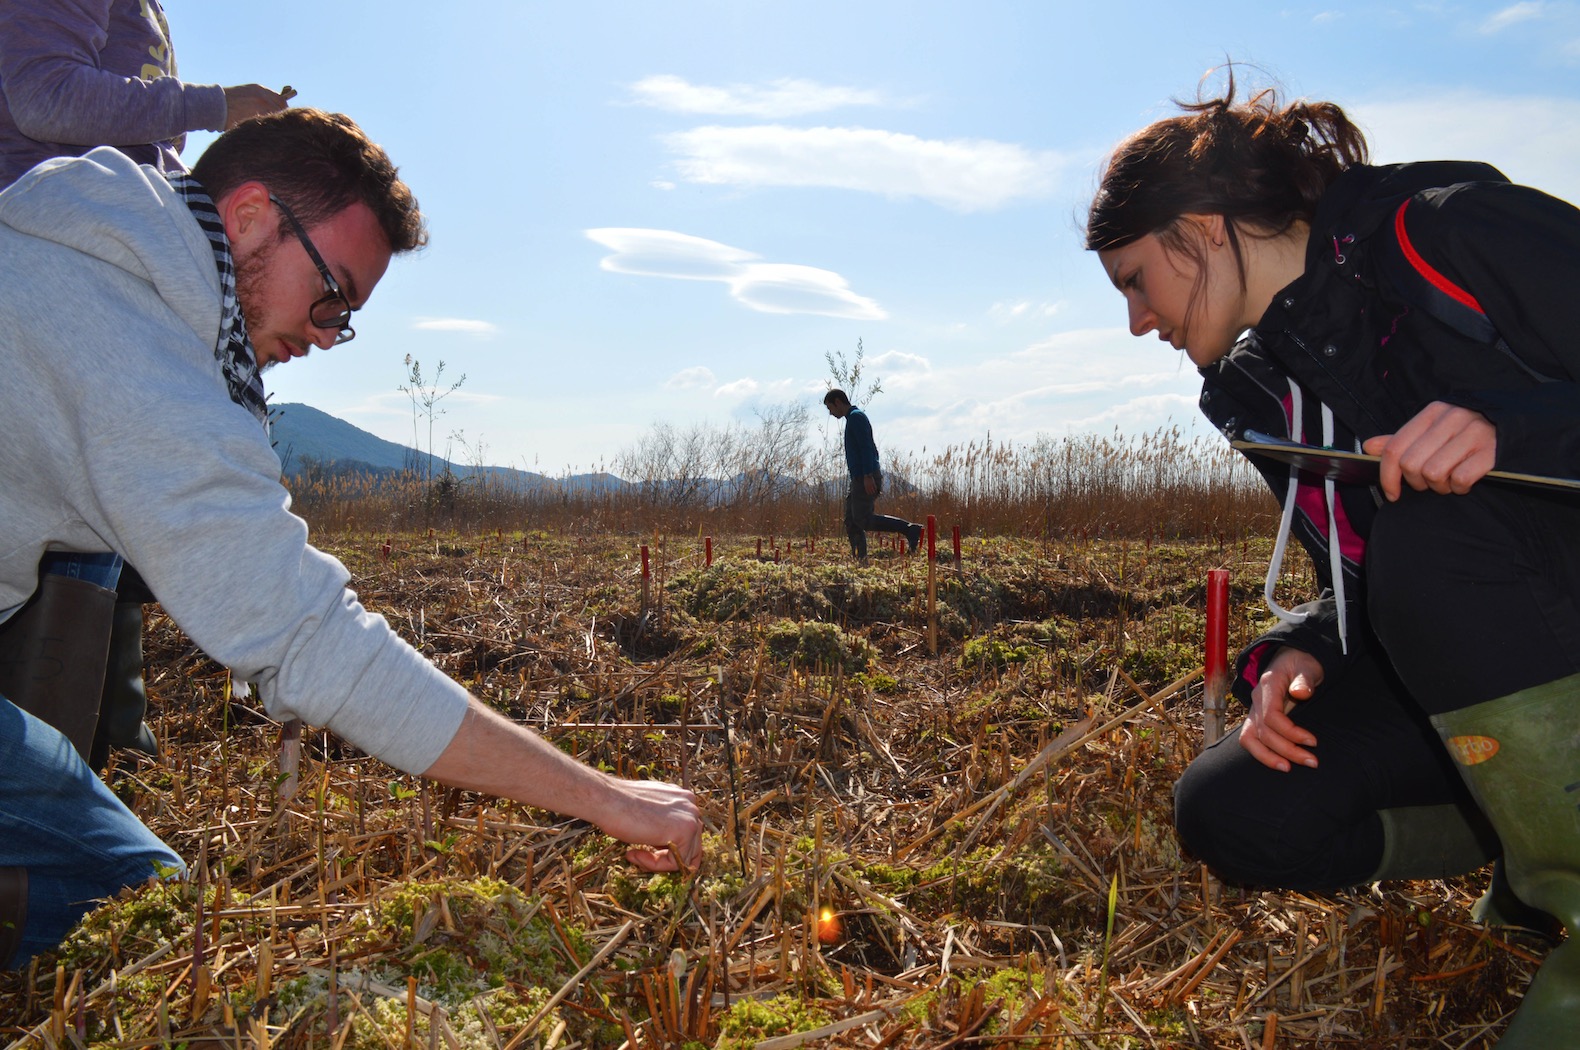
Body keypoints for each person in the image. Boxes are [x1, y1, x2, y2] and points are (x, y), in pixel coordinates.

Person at [0, 108, 704, 972]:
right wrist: (607, 799)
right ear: (250, 214)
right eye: (331, 293)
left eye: (348, 318)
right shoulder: (126, 346)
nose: (328, 335)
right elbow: (309, 640)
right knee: (126, 902)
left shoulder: (78, 260)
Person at [1086, 73, 1580, 1046]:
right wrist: (1293, 656)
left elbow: (1447, 536)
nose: (1136, 322)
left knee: (1430, 526)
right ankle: (1526, 855)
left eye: (1135, 280)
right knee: (1231, 808)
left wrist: (1505, 436)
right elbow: (1360, 574)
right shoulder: (1252, 388)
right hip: (1497, 658)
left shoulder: (1447, 233)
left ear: (1203, 225)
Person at [0, 0, 296, 770]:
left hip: (97, 274)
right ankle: (54, 790)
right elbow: (40, 95)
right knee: (67, 531)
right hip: (50, 274)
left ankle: (106, 748)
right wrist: (213, 106)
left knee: (107, 527)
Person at [823, 389, 924, 561]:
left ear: (838, 402)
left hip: (865, 477)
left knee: (862, 519)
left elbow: (867, 448)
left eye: (830, 407)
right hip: (859, 477)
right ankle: (859, 558)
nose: (830, 413)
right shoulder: (853, 418)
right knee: (851, 520)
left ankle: (909, 529)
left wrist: (868, 476)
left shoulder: (856, 417)